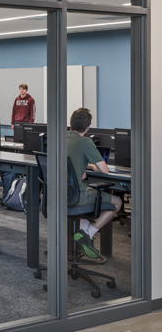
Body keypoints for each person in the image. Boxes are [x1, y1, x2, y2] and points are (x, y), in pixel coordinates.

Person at [67, 107, 122, 259]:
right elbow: (104, 170)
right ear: (88, 127)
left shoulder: (60, 137)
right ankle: (88, 235)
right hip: (76, 198)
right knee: (117, 202)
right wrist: (91, 166)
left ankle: (83, 234)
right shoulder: (85, 141)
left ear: (70, 124)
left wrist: (83, 168)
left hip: (57, 195)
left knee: (85, 199)